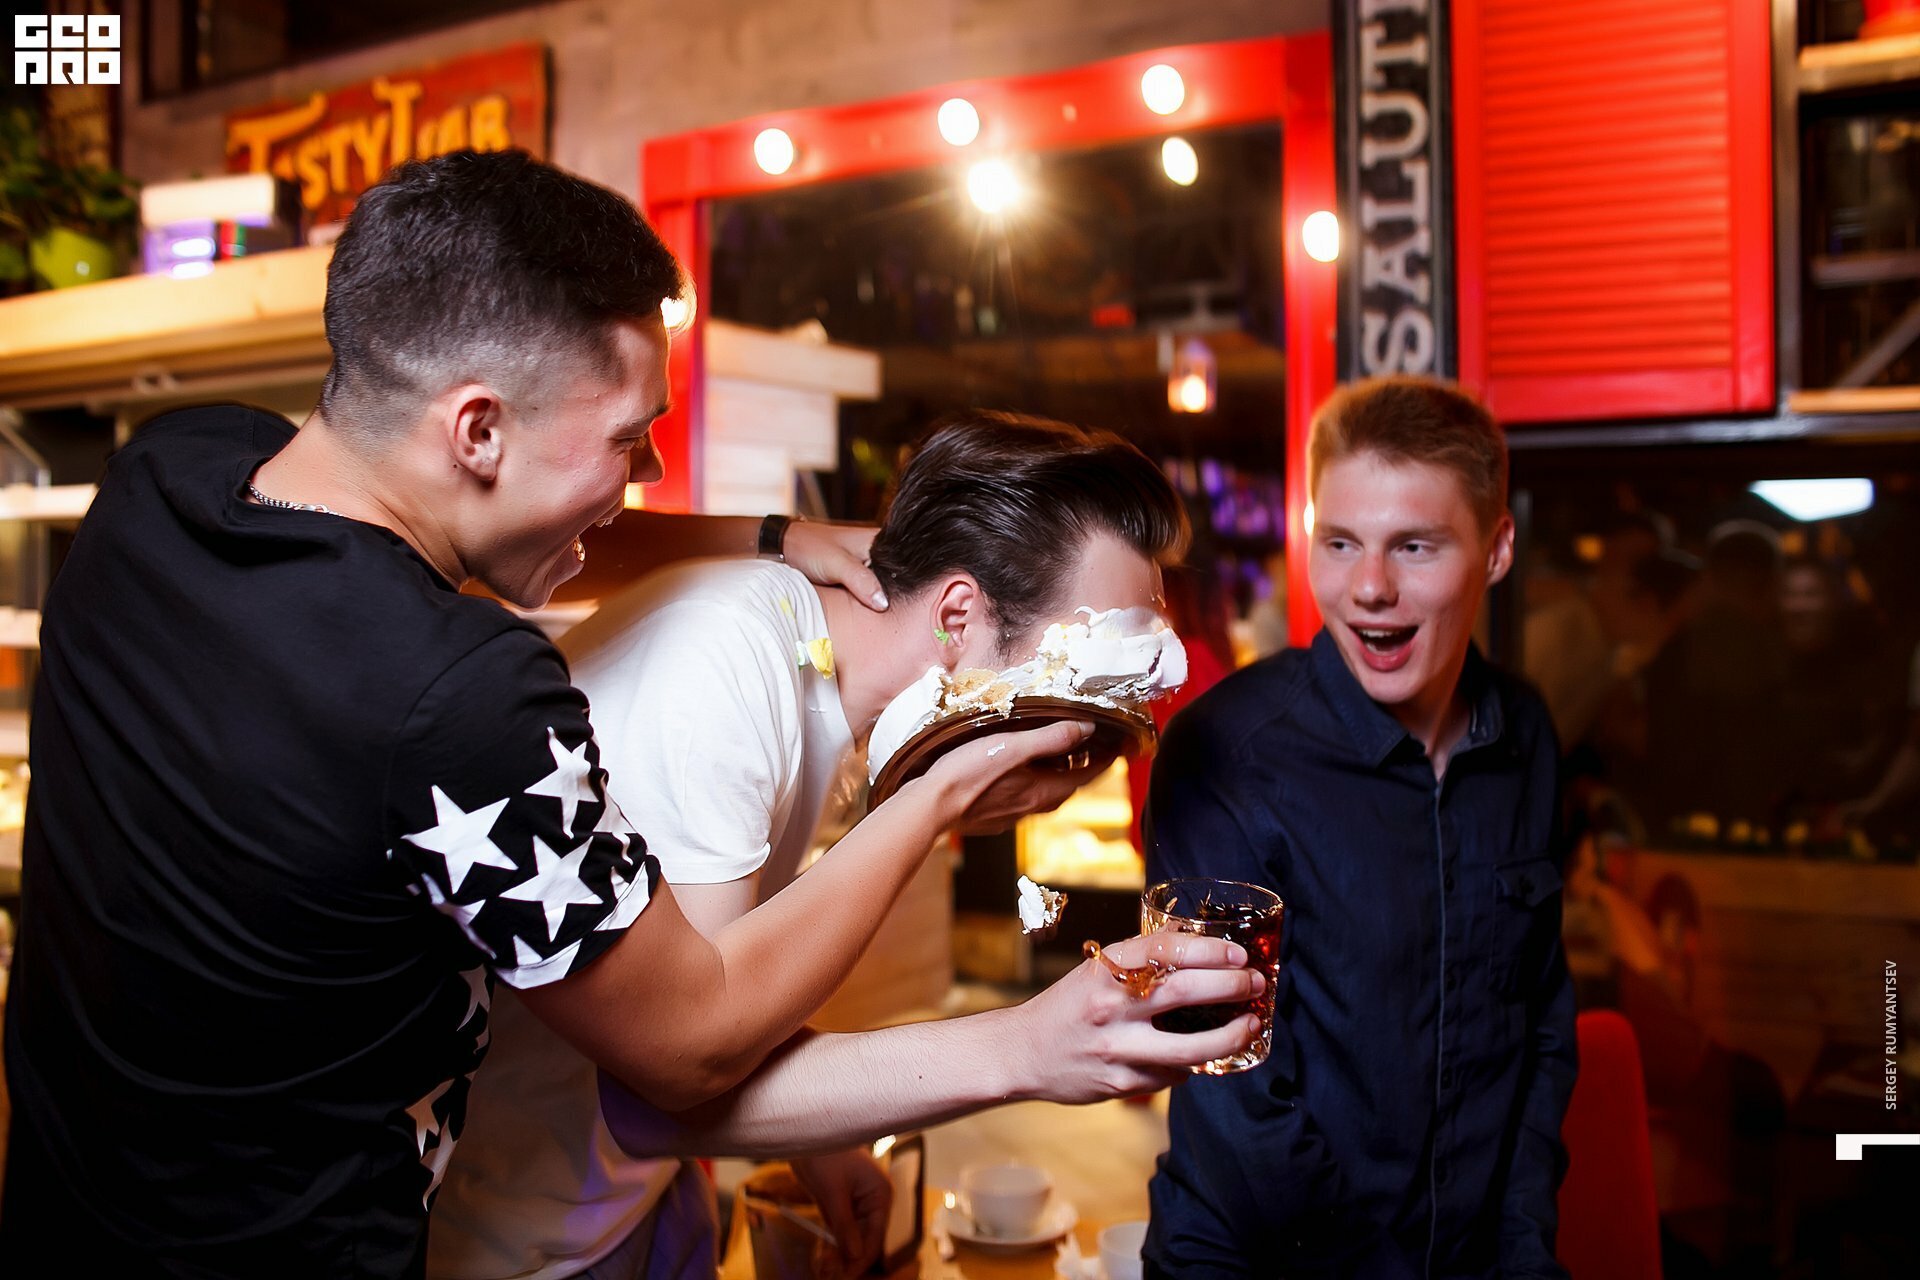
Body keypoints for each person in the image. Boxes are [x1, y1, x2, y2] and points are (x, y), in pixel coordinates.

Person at [0, 151, 1254, 1276]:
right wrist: (961, 861)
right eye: (628, 438)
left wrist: (770, 534)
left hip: (66, 1201)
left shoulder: (177, 469)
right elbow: (683, 1054)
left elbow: (462, 523)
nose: (647, 473)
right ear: (477, 428)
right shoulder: (465, 708)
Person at [429, 410, 1191, 1279]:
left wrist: (820, 1138)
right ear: (958, 616)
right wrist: (1027, 1043)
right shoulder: (726, 663)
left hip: (639, 1202)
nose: (1079, 750)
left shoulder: (819, 677)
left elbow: (721, 984)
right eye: (1082, 693)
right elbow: (663, 1089)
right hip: (524, 1245)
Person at [1141, 376, 1578, 1278]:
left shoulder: (1526, 734)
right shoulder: (1226, 753)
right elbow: (1234, 1095)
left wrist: (1525, 1254)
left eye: (1414, 546)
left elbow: (1540, 1027)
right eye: (1340, 543)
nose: (1370, 588)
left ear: (1497, 549)